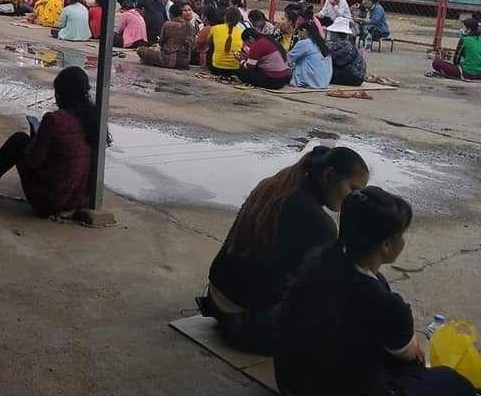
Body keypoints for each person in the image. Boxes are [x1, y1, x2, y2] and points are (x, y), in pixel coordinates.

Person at [275, 187, 476, 396]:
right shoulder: (385, 302)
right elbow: (411, 354)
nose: (403, 241)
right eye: (402, 234)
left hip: (290, 381)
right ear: (386, 245)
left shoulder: (318, 259)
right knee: (450, 381)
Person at [201, 145, 370, 353]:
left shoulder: (275, 186)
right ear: (328, 176)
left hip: (216, 300)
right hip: (246, 324)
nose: (354, 198)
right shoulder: (318, 222)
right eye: (352, 189)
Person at [0, 66, 96, 217]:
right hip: (80, 200)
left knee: (19, 140)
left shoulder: (54, 120)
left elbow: (34, 162)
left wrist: (33, 144)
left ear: (61, 94)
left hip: (51, 201)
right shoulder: (93, 118)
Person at [138, 2, 195, 69]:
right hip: (184, 61)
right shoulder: (191, 26)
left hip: (168, 59)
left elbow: (161, 42)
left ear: (171, 15)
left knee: (141, 50)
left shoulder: (167, 24)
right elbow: (191, 44)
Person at [288, 22, 333, 88]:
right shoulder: (321, 44)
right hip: (324, 81)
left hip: (311, 80)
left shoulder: (304, 43)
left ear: (304, 31)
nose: (298, 35)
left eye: (298, 32)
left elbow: (288, 58)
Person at [328, 17, 366, 87]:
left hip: (352, 76)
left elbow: (334, 60)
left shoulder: (341, 45)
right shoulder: (349, 44)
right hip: (359, 77)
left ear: (336, 34)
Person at [208, 6, 244, 76]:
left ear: (225, 17)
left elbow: (207, 42)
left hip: (216, 68)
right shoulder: (241, 32)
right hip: (235, 70)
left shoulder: (215, 28)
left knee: (213, 43)